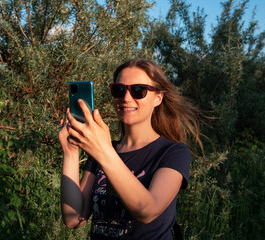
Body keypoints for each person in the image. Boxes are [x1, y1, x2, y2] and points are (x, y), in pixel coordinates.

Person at [58, 59, 202, 240]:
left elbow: (147, 210)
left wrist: (103, 151)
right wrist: (70, 152)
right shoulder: (103, 151)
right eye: (119, 90)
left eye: (138, 90)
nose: (126, 98)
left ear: (158, 98)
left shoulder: (173, 152)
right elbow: (74, 219)